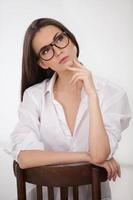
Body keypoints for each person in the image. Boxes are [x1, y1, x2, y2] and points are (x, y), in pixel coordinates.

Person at [10, 18, 131, 200]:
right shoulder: (33, 97)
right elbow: (25, 158)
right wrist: (85, 156)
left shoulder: (112, 94)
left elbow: (99, 154)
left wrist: (91, 93)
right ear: (43, 63)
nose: (58, 51)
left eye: (59, 39)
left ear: (71, 40)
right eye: (46, 50)